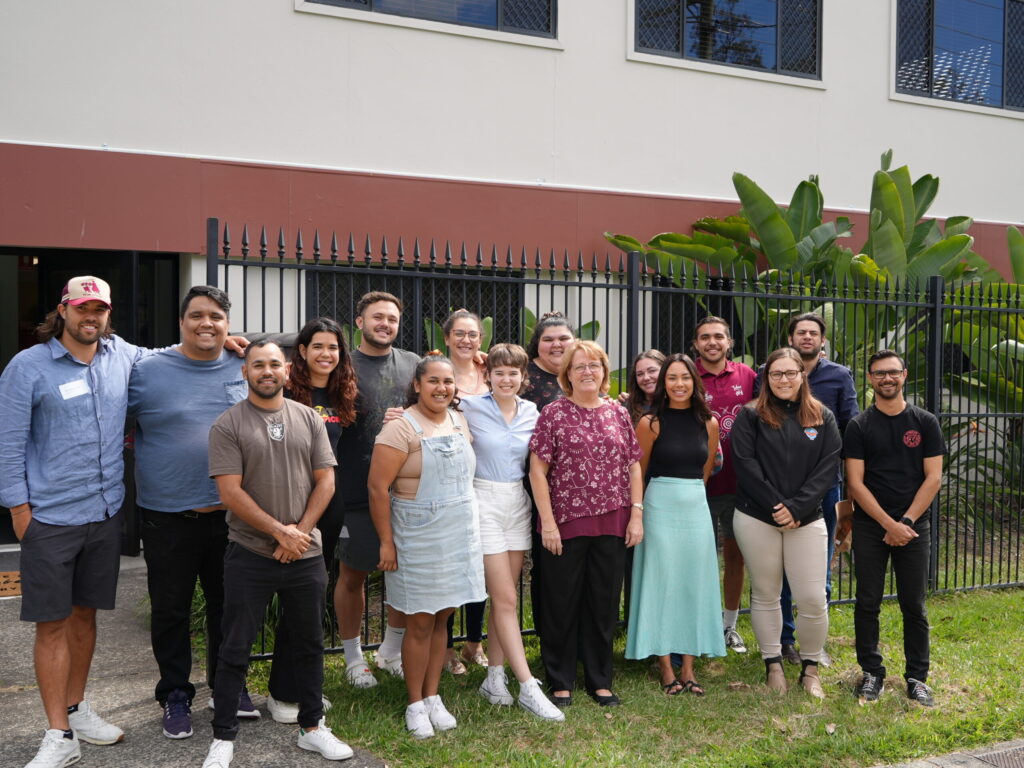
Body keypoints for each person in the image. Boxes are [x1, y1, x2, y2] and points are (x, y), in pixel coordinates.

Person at [1, 276, 146, 768]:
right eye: (83, 308)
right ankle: (58, 735)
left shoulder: (121, 355)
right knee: (52, 624)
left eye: (100, 309)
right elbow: (8, 443)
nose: (92, 317)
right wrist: (20, 511)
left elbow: (174, 355)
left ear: (109, 314)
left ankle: (77, 708)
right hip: (50, 517)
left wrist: (238, 343)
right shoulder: (29, 367)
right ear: (63, 310)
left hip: (104, 514)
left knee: (86, 615)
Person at [204, 340, 352, 768]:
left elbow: (326, 481)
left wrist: (299, 534)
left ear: (287, 370)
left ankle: (312, 727)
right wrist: (278, 532)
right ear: (245, 371)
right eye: (257, 365)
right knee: (235, 646)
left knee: (309, 643)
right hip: (250, 553)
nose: (266, 371)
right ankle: (224, 737)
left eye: (273, 364)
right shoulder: (228, 424)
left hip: (304, 555)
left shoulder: (309, 418)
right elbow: (229, 492)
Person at [128, 285, 257, 740]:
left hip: (231, 516)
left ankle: (228, 687)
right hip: (167, 516)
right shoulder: (146, 371)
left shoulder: (245, 367)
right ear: (181, 322)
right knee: (171, 610)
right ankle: (175, 695)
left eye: (217, 317)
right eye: (197, 316)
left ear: (228, 324)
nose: (207, 323)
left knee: (230, 607)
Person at [368, 354, 486, 739]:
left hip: (457, 533)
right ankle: (415, 703)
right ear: (417, 385)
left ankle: (433, 695)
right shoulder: (400, 429)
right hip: (417, 535)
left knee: (442, 618)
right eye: (433, 381)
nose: (442, 388)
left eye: (448, 382)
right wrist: (386, 541)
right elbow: (376, 488)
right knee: (420, 620)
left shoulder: (458, 420)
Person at [529, 340, 644, 707]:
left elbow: (633, 465)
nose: (587, 372)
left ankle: (599, 678)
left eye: (594, 365)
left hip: (613, 522)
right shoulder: (553, 413)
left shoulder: (618, 413)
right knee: (560, 602)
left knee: (603, 603)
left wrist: (636, 513)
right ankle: (560, 679)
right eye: (579, 366)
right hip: (565, 524)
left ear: (605, 373)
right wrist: (548, 523)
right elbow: (537, 470)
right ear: (567, 375)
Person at [460, 344, 565, 721]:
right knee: (504, 598)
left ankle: (494, 677)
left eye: (513, 373)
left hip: (517, 504)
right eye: (499, 372)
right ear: (488, 375)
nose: (506, 379)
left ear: (524, 378)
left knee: (507, 599)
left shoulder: (534, 413)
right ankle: (527, 686)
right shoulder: (468, 408)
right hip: (482, 500)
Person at [730, 347, 841, 698]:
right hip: (756, 515)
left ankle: (810, 670)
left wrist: (796, 507)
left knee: (812, 598)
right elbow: (746, 465)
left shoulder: (822, 416)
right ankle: (773, 664)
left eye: (790, 373)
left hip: (807, 519)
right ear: (766, 378)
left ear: (802, 375)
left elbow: (828, 468)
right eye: (775, 374)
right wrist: (777, 505)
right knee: (766, 593)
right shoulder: (750, 416)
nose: (783, 380)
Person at [265, 317, 358, 722]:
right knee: (288, 599)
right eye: (318, 346)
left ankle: (302, 686)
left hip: (328, 509)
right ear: (301, 351)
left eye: (333, 348)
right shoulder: (284, 390)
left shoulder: (343, 395)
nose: (326, 354)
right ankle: (281, 692)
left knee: (310, 600)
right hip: (288, 508)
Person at [845, 350, 945, 707]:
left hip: (914, 527)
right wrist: (888, 524)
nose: (886, 379)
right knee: (867, 601)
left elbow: (933, 478)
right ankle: (871, 673)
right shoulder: (859, 426)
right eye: (878, 374)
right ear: (870, 379)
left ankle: (917, 678)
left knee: (914, 605)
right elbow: (855, 484)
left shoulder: (925, 422)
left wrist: (905, 523)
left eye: (892, 372)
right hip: (872, 527)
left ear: (904, 375)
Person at [332, 292, 420, 687]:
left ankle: (390, 651)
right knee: (352, 575)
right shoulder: (342, 364)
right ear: (360, 321)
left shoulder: (413, 364)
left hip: (405, 491)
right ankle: (353, 658)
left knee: (402, 574)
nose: (385, 324)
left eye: (392, 319)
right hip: (353, 490)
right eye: (377, 317)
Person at [626, 354, 724, 695]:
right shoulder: (650, 422)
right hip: (660, 507)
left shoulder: (708, 422)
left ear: (694, 382)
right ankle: (666, 667)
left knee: (693, 584)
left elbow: (706, 471)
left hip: (696, 507)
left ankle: (690, 669)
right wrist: (639, 511)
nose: (679, 384)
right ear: (663, 384)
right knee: (662, 583)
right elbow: (638, 471)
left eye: (685, 377)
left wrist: (691, 499)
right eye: (672, 378)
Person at [773, 312, 859, 666]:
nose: (807, 337)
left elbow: (850, 426)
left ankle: (814, 640)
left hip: (825, 484)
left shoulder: (839, 376)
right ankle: (785, 639)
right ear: (791, 338)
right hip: (781, 485)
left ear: (822, 341)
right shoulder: (773, 373)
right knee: (781, 566)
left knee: (819, 564)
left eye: (813, 333)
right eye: (800, 332)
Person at [692, 316, 757, 653]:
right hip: (696, 485)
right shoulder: (686, 375)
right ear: (695, 344)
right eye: (705, 337)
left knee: (735, 557)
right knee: (697, 559)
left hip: (738, 485)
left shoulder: (748, 376)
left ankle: (728, 627)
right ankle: (697, 626)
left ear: (729, 342)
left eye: (718, 336)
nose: (712, 342)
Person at [440, 309, 489, 675]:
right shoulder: (436, 371)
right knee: (451, 565)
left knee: (482, 567)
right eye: (459, 333)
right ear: (446, 338)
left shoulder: (490, 371)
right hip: (449, 479)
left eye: (472, 334)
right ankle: (445, 647)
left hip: (489, 478)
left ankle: (475, 642)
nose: (466, 340)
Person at [522, 312, 575, 410]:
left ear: (575, 341)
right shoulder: (521, 375)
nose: (556, 344)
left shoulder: (585, 371)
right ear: (537, 343)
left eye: (563, 338)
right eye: (548, 340)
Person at [621, 349, 666, 426]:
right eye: (640, 374)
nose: (646, 378)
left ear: (665, 370)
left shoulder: (678, 404)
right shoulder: (626, 407)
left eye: (652, 371)